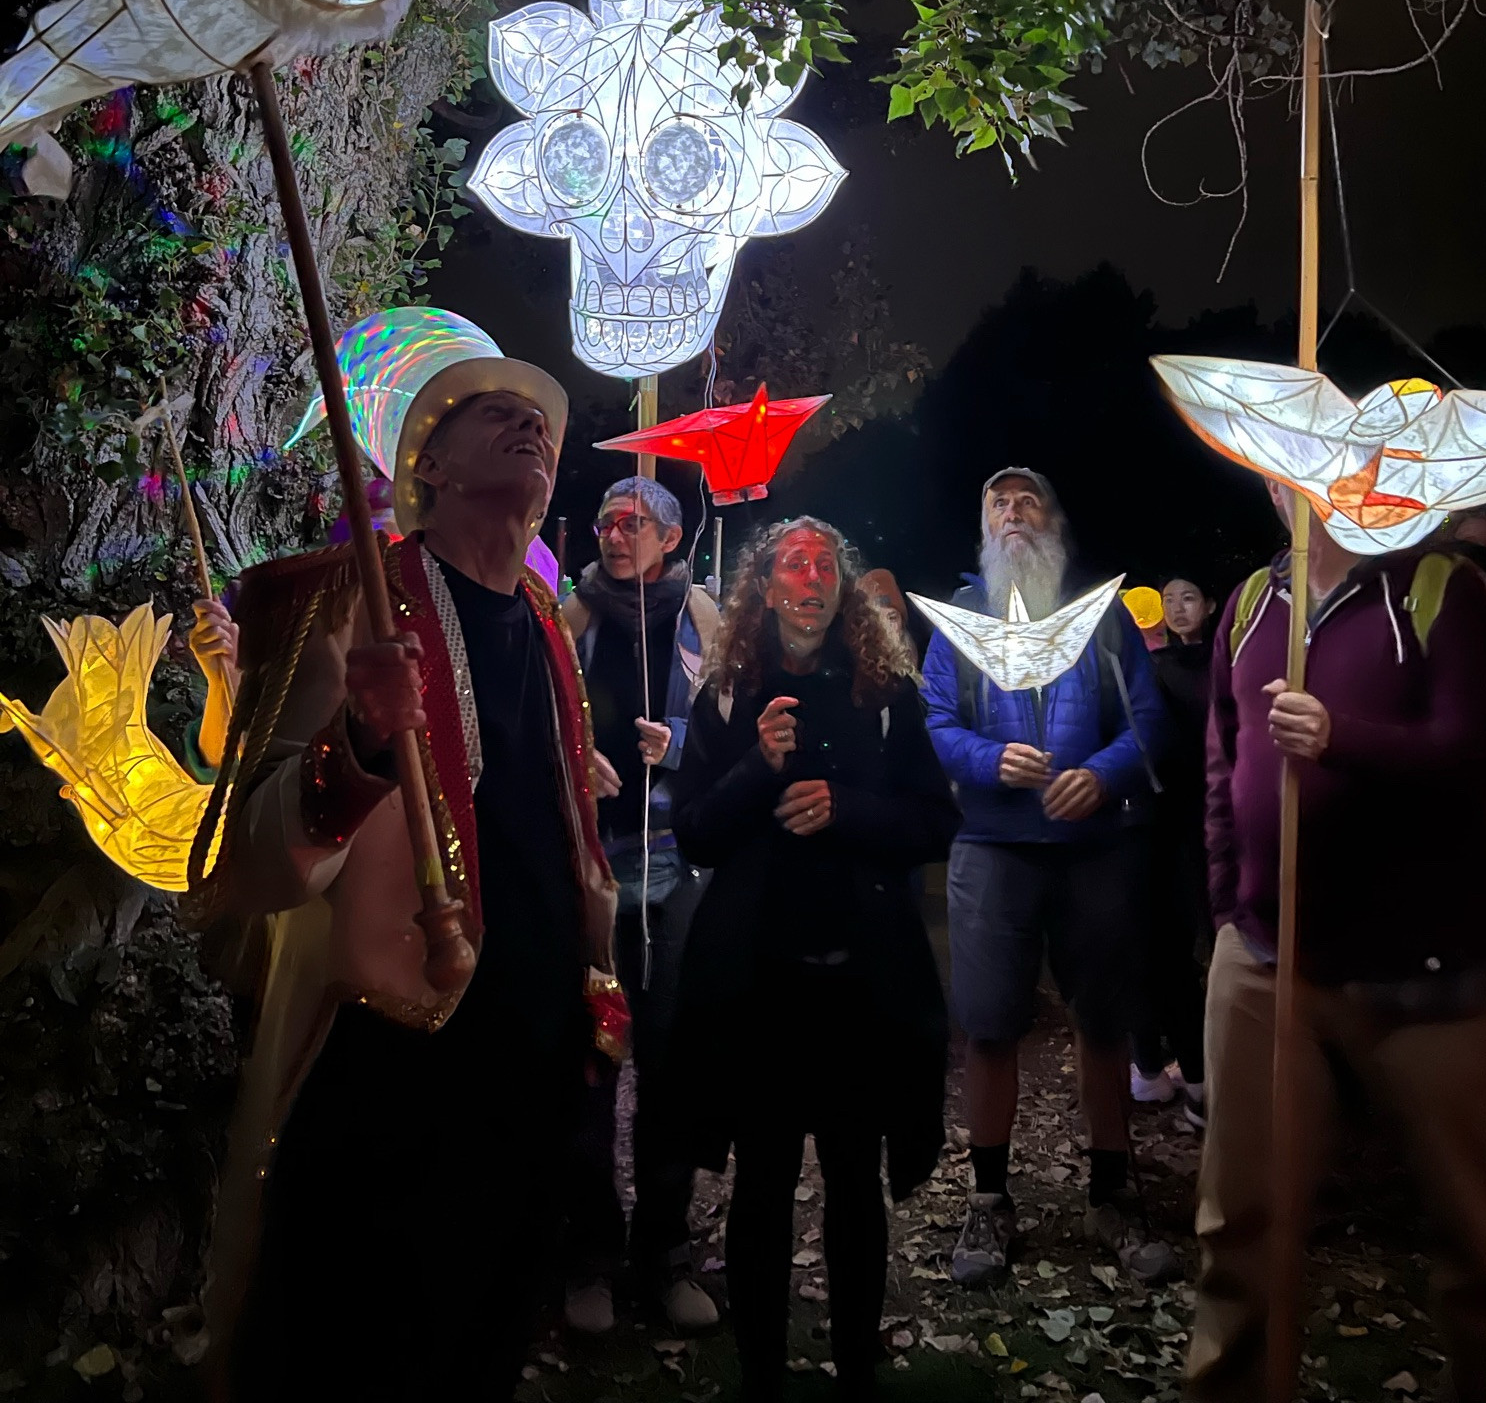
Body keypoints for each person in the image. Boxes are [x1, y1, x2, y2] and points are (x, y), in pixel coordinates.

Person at [189, 316, 625, 1401]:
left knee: (486, 1343)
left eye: (543, 420)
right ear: (424, 462)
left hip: (532, 1062)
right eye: (494, 411)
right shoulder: (336, 599)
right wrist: (363, 745)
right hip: (390, 1068)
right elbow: (242, 863)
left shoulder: (547, 621)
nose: (532, 421)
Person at [1186, 484, 1486, 1402]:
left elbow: (1478, 747)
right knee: (1241, 1231)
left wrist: (1341, 739)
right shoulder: (1250, 604)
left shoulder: (1442, 588)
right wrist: (1224, 904)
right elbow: (1222, 756)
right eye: (1283, 471)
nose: (1300, 490)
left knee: (1482, 1239)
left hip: (1428, 975)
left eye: (1320, 468)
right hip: (1265, 962)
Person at [670, 519, 958, 1403]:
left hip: (858, 989)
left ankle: (857, 1365)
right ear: (764, 586)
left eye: (825, 565)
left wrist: (848, 809)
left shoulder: (884, 692)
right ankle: (760, 1369)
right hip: (760, 990)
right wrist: (758, 765)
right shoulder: (727, 692)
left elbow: (932, 822)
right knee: (759, 1185)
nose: (810, 577)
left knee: (853, 1183)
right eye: (792, 563)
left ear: (843, 588)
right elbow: (696, 833)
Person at [924, 467, 1173, 1287]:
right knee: (990, 1027)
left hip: (1094, 846)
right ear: (983, 526)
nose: (1014, 512)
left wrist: (1101, 774)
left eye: (1029, 500)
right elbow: (936, 722)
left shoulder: (1102, 616)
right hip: (993, 846)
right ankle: (989, 1201)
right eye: (998, 501)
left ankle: (1112, 1194)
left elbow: (1148, 721)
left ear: (1055, 522)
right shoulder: (958, 623)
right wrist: (991, 759)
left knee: (1102, 1023)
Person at [560, 475, 719, 1335]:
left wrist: (683, 743)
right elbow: (530, 723)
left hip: (678, 878)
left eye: (633, 524)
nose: (616, 536)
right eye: (605, 522)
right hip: (594, 878)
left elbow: (736, 732)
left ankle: (665, 1252)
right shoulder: (570, 618)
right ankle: (588, 1254)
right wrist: (576, 752)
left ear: (668, 534)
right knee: (591, 1066)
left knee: (673, 1072)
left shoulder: (702, 618)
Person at [1130, 574, 1216, 1124]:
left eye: (1190, 596)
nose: (1178, 608)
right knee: (1162, 947)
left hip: (1212, 820)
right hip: (1161, 825)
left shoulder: (1226, 664)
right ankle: (1162, 1066)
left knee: (1216, 942)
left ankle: (1204, 1070)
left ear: (1209, 604)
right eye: (1169, 600)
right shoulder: (1152, 672)